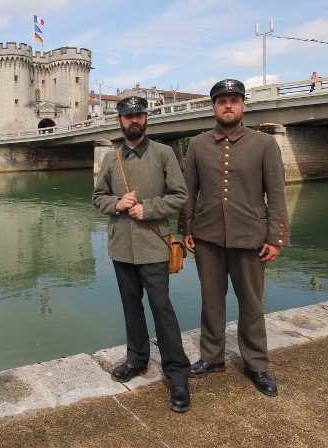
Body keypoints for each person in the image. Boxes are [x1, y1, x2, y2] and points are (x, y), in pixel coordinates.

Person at [178, 79, 289, 397]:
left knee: (252, 304)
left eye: (234, 100)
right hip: (207, 236)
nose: (228, 105)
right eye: (222, 100)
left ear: (243, 105)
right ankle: (212, 358)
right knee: (211, 302)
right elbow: (190, 191)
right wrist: (186, 229)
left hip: (251, 237)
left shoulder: (265, 145)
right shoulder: (198, 145)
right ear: (213, 107)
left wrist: (276, 237)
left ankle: (256, 364)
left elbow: (276, 194)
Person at [92, 96, 192, 413]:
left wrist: (148, 209)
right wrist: (118, 204)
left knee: (161, 306)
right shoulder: (111, 159)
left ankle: (177, 374)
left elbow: (180, 195)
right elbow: (98, 198)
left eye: (139, 115)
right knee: (130, 306)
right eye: (128, 115)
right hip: (122, 246)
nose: (134, 120)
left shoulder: (163, 154)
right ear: (119, 121)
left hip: (153, 245)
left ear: (146, 118)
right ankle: (137, 359)